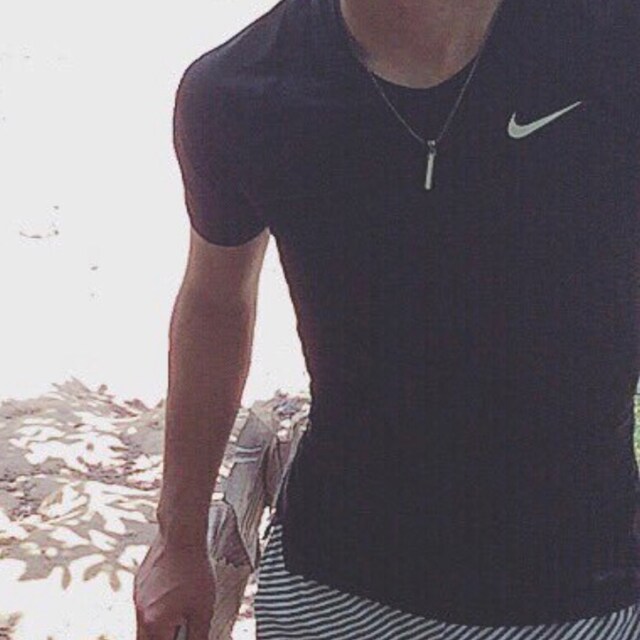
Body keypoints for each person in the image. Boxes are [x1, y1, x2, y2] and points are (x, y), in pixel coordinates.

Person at [133, 0, 640, 638]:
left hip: (582, 587)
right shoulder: (239, 91)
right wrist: (178, 539)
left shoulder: (615, 40)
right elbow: (214, 301)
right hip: (336, 585)